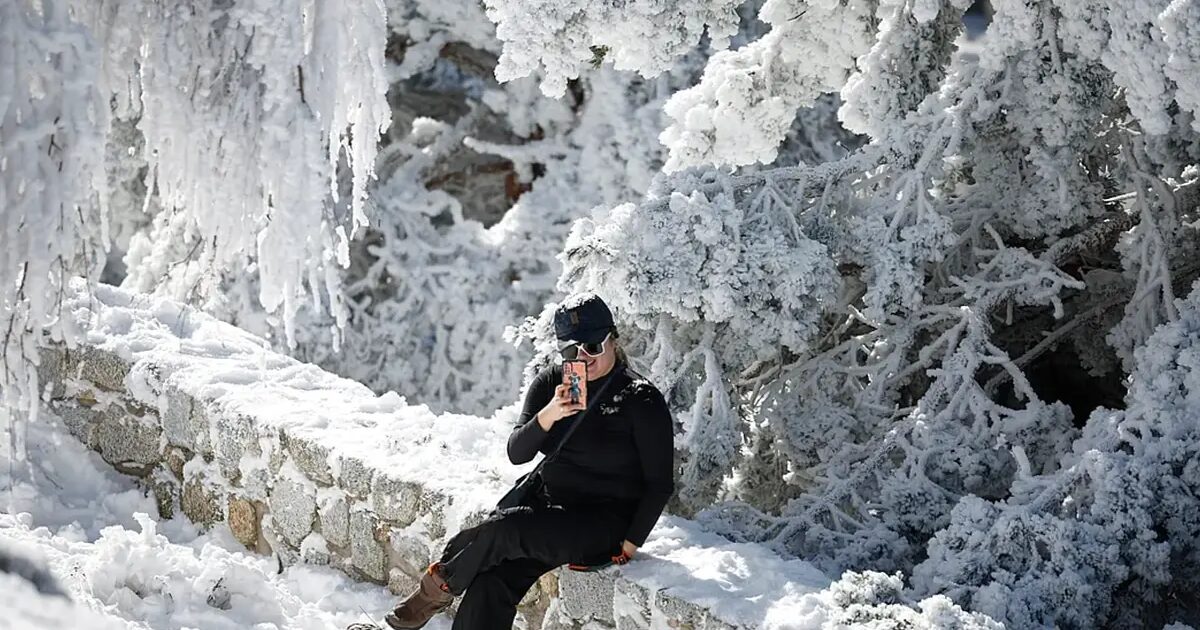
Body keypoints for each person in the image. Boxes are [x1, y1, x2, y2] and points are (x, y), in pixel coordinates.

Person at [382, 293, 676, 630]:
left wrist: (630, 543)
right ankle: (441, 589)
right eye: (571, 350)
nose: (583, 357)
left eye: (593, 346)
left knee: (503, 530)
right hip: (548, 513)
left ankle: (432, 593)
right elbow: (516, 453)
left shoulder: (639, 398)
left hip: (602, 522)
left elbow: (659, 483)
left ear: (613, 339)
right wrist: (549, 414)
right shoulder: (553, 383)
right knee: (491, 581)